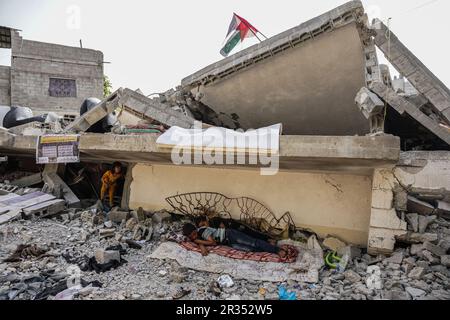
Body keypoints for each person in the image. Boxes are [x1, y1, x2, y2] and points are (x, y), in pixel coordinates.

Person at [182, 222, 287, 258]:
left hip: (231, 235)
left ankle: (277, 250)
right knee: (250, 250)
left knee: (253, 242)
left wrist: (199, 242)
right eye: (191, 237)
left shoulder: (201, 231)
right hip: (229, 242)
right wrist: (201, 246)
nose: (193, 237)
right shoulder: (197, 237)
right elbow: (202, 244)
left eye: (193, 234)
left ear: (195, 230)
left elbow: (212, 242)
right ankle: (269, 248)